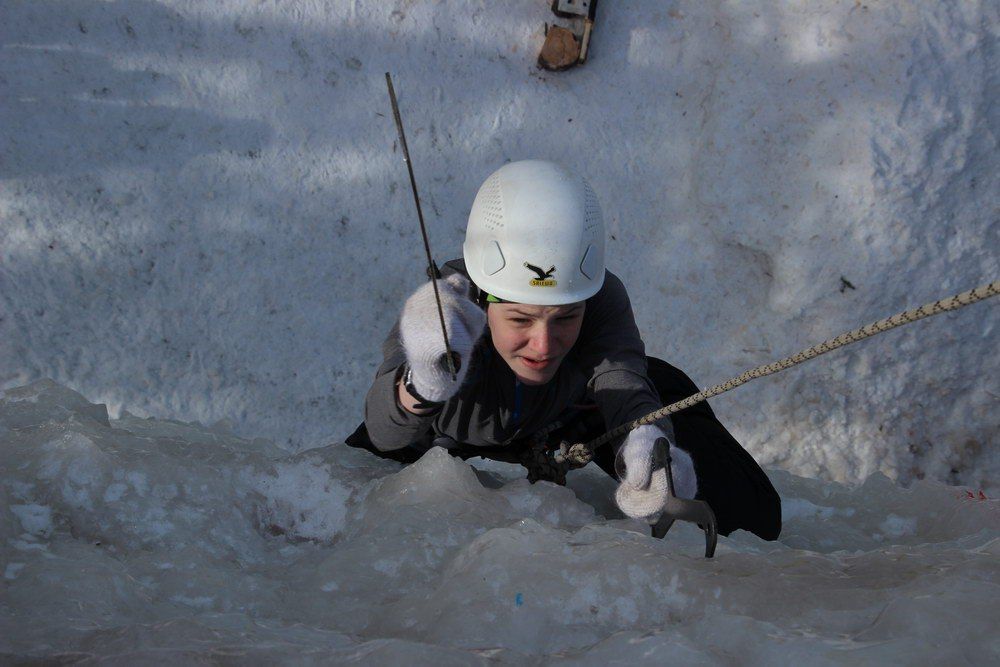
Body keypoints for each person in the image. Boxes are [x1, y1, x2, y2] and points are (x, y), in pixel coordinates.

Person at [347, 160, 780, 541]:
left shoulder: (602, 298)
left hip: (570, 412)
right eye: (520, 319)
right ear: (483, 298)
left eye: (566, 318)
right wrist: (420, 383)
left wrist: (648, 442)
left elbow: (622, 380)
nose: (544, 344)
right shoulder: (444, 318)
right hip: (456, 427)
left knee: (752, 516)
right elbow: (384, 435)